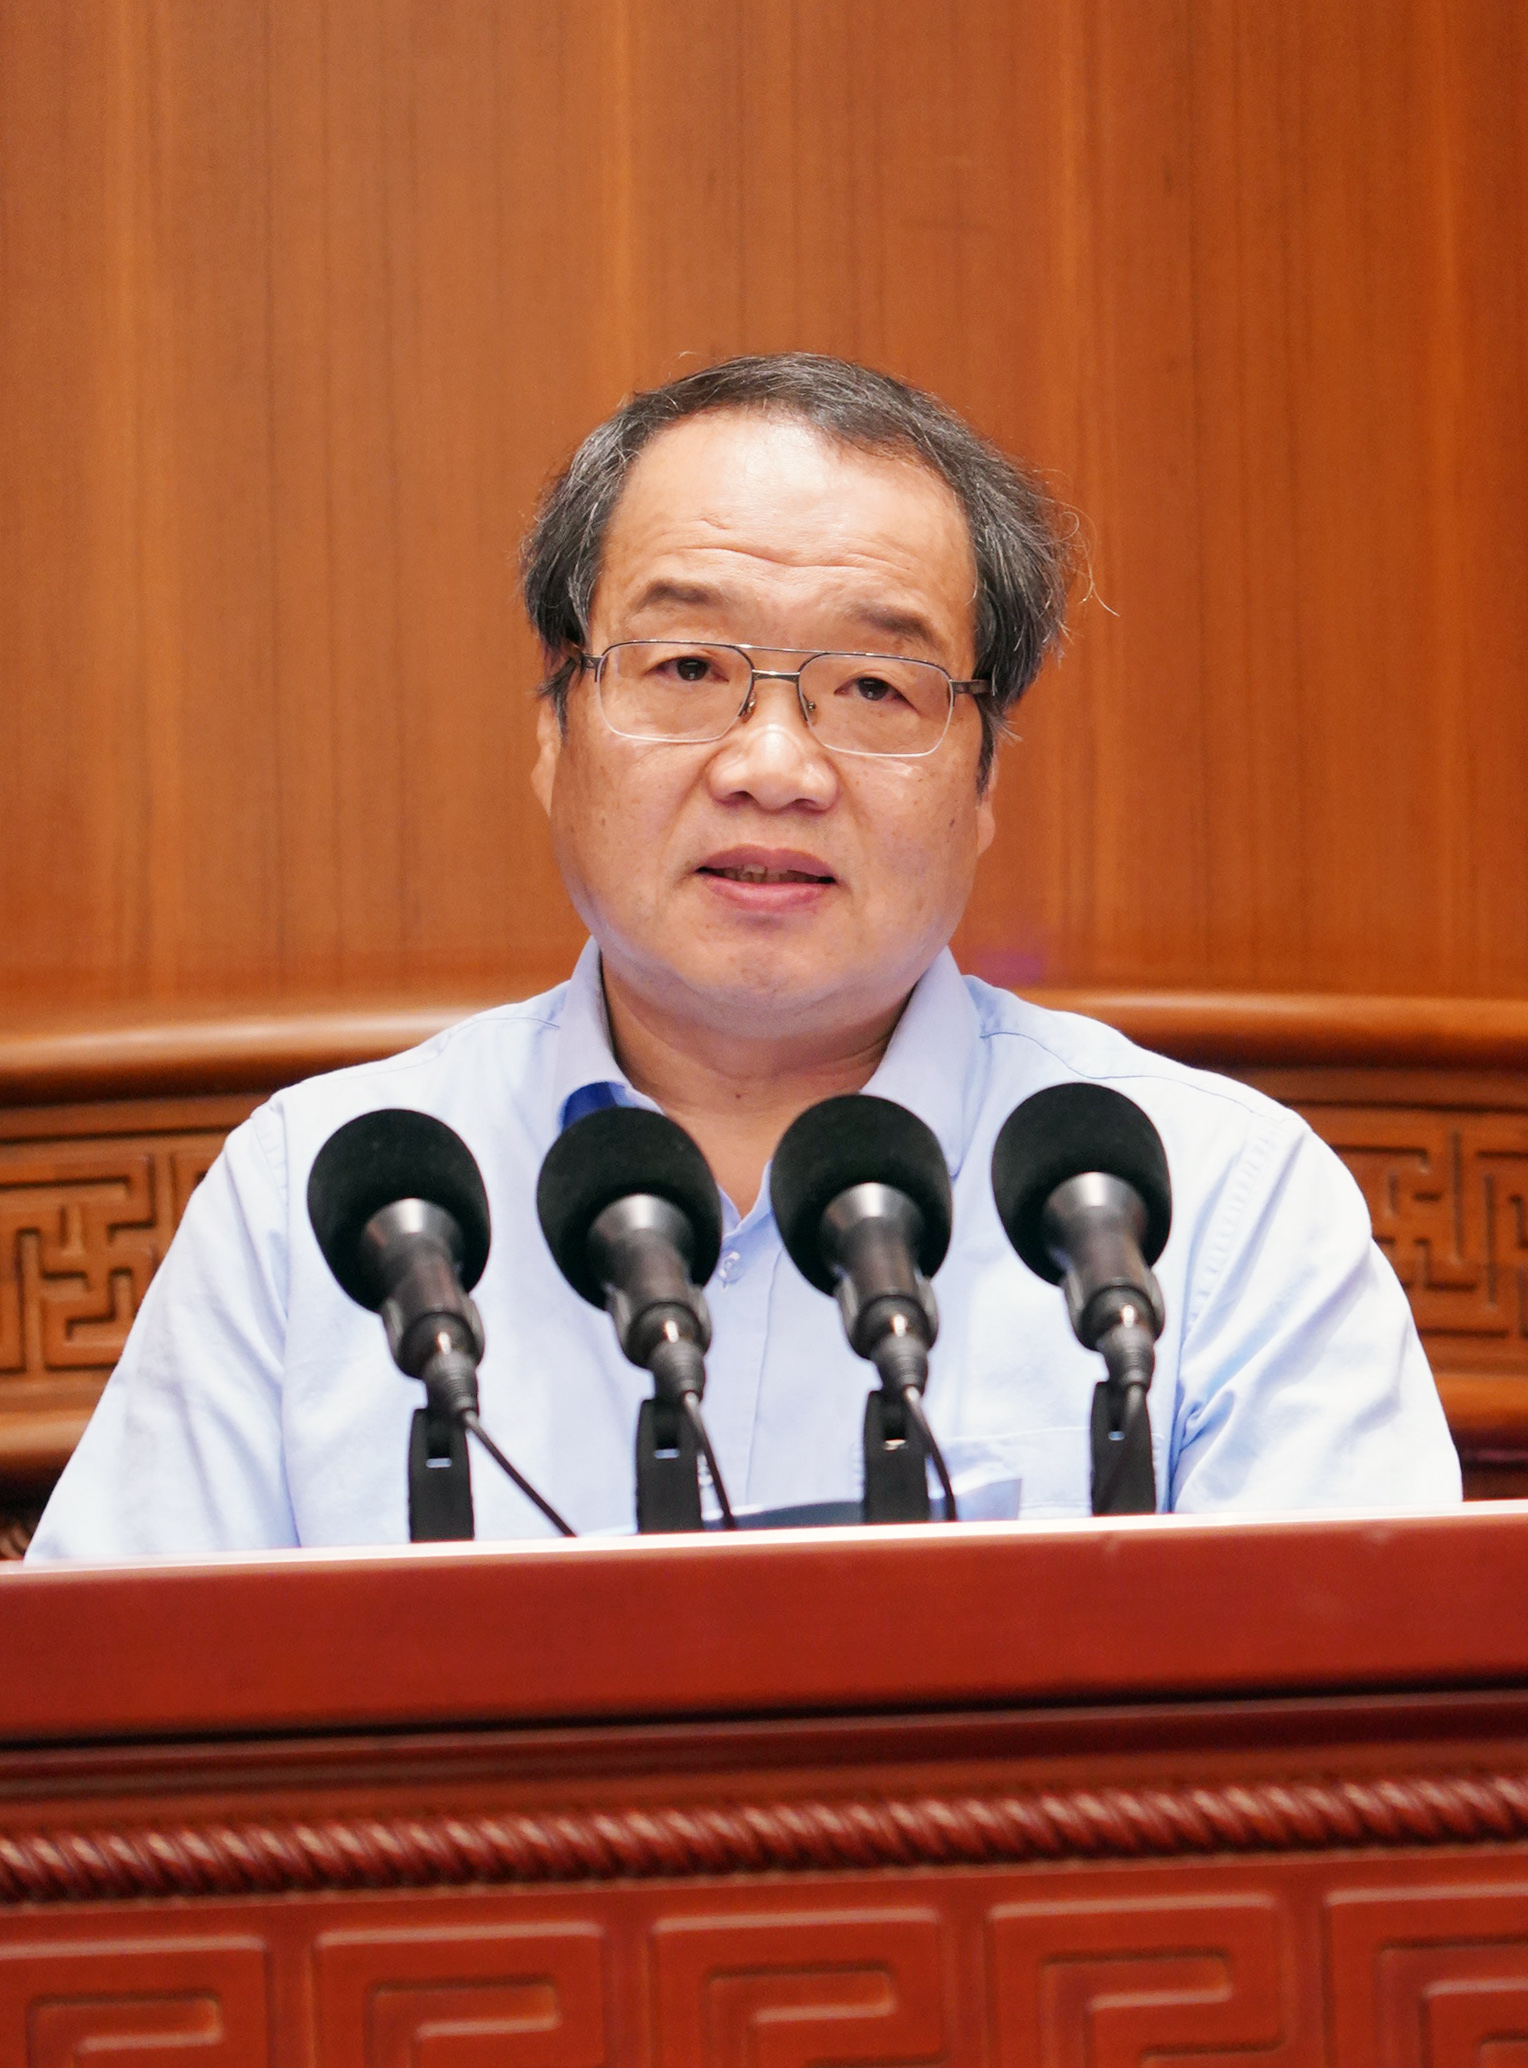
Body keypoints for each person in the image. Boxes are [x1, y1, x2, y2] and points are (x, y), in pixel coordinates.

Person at [29, 354, 1459, 1557]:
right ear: (553, 731)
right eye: (689, 669)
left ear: (983, 779)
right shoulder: (318, 1202)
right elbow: (115, 1750)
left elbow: (1365, 1751)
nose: (774, 767)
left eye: (876, 686)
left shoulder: (1217, 1209)